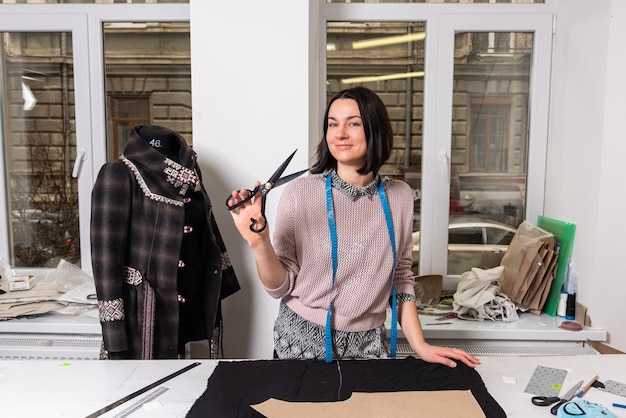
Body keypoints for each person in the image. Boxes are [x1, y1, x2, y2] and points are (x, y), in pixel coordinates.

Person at [228, 87, 478, 368]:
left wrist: (420, 346)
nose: (339, 133)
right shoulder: (300, 193)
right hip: (300, 342)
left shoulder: (400, 196)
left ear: (375, 130)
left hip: (371, 344)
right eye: (332, 124)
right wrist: (258, 242)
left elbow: (401, 277)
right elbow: (279, 287)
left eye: (353, 123)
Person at [91, 125, 240, 360]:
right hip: (145, 314)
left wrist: (223, 280)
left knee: (199, 388)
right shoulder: (118, 173)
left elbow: (207, 227)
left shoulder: (190, 170)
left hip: (192, 304)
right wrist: (114, 335)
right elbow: (105, 258)